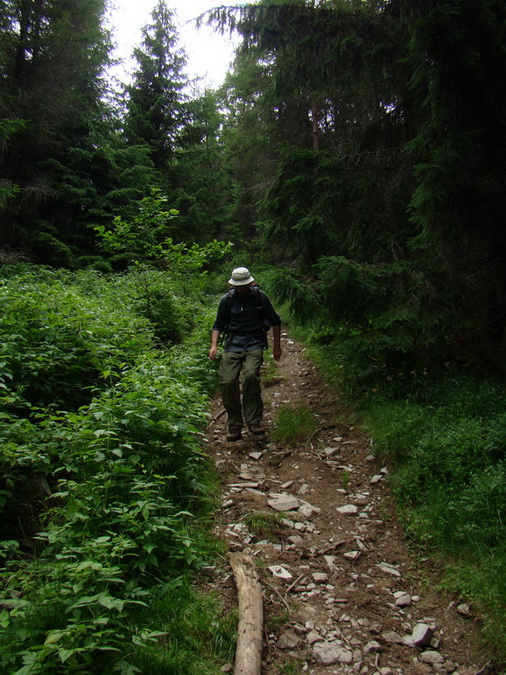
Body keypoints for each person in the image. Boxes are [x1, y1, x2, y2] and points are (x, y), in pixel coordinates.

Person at [209, 267, 282, 441]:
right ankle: (234, 423)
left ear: (250, 283)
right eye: (238, 285)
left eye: (244, 285)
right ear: (233, 285)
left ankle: (254, 420)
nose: (241, 288)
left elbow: (275, 320)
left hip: (255, 342)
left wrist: (277, 346)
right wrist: (214, 346)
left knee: (250, 376)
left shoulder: (259, 297)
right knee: (227, 381)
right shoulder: (227, 300)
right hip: (232, 343)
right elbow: (218, 324)